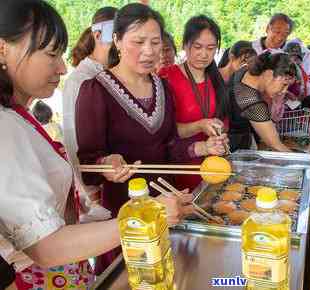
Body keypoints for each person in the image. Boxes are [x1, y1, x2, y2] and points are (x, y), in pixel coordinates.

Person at [76, 4, 227, 274]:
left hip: (167, 202)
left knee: (168, 273)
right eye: (138, 41)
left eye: (155, 42)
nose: (149, 51)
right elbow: (88, 165)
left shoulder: (162, 87)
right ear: (118, 41)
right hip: (125, 207)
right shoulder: (95, 90)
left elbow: (169, 146)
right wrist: (107, 163)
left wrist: (203, 146)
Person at [0, 1, 125, 288]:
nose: (62, 66)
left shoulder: (18, 114)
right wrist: (141, 220)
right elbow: (46, 247)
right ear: (3, 48)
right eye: (51, 54)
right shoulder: (4, 126)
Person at [159, 15, 228, 191]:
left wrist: (220, 133)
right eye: (197, 47)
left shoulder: (216, 79)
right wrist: (200, 125)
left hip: (213, 169)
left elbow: (223, 120)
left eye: (211, 48)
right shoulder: (166, 78)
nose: (204, 54)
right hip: (180, 169)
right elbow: (165, 132)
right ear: (184, 45)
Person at [63, 7, 117, 222]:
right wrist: (90, 189)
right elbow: (72, 139)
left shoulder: (114, 74)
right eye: (116, 37)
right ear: (97, 35)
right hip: (98, 185)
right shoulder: (79, 80)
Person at [227, 52, 295, 152]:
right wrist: (305, 163)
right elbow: (275, 145)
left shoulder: (245, 70)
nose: (284, 91)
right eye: (284, 84)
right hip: (232, 150)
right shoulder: (250, 100)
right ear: (269, 74)